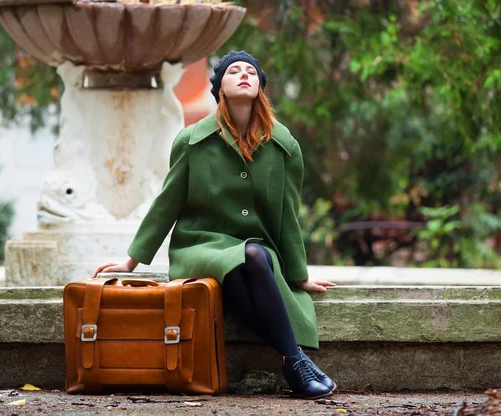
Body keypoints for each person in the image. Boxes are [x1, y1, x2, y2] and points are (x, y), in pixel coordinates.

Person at [91, 50, 337, 399]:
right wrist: (131, 260)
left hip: (255, 253)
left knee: (252, 256)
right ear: (219, 86)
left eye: (250, 71)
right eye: (233, 70)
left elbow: (287, 216)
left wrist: (300, 275)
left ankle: (292, 361)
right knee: (248, 257)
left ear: (260, 87)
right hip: (200, 245)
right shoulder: (192, 141)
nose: (243, 74)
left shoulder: (284, 147)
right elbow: (168, 203)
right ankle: (294, 360)